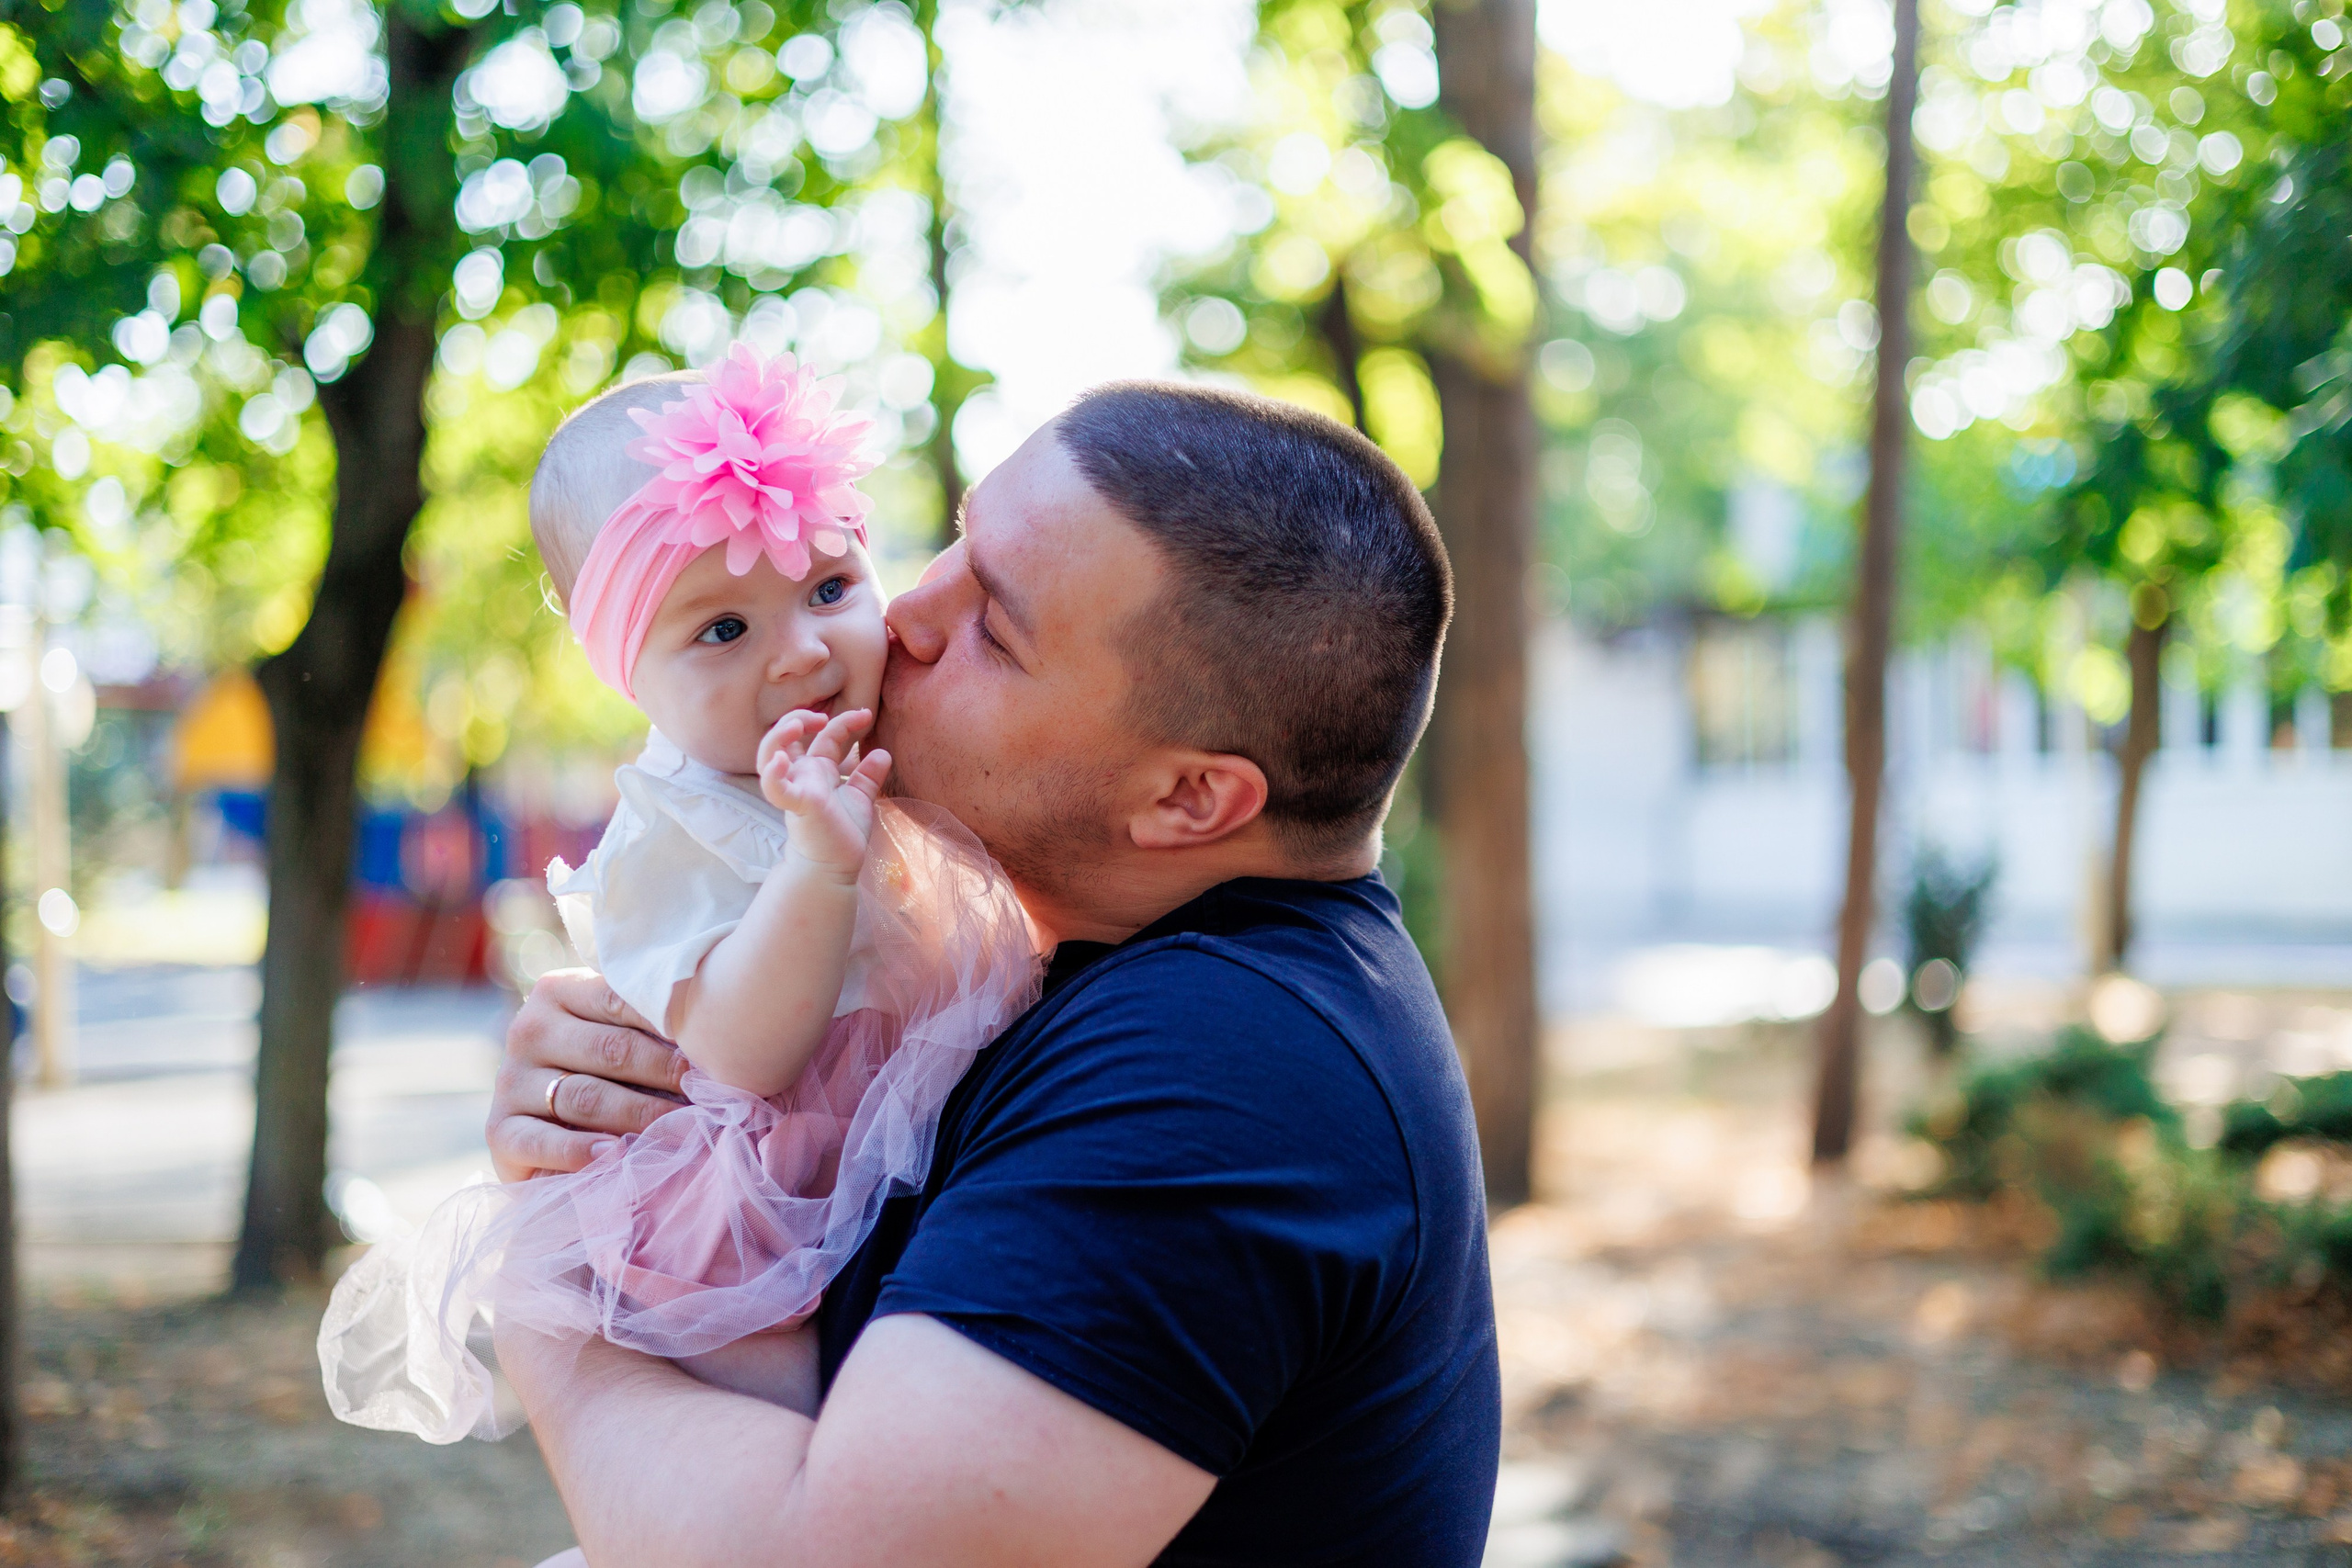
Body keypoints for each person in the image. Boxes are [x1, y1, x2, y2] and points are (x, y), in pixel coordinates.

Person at [489, 380, 1502, 1565]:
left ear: (1186, 798)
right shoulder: (1091, 974)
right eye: (955, 542)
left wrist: (549, 1300)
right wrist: (615, 1130)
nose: (904, 613)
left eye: (994, 627)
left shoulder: (1223, 1072)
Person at [318, 345, 1041, 1440]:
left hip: (888, 1155)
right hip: (738, 1208)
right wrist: (816, 863)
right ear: (628, 672)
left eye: (832, 586)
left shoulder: (870, 759)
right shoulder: (670, 837)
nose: (803, 653)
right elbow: (748, 1050)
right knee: (789, 1436)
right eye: (722, 630)